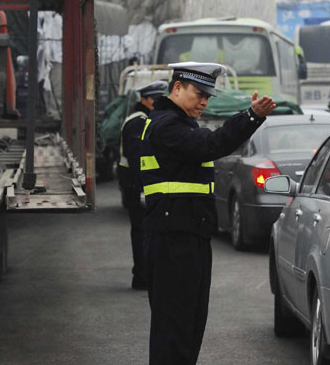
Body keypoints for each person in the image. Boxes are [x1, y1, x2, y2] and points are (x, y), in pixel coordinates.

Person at [140, 62, 275, 364]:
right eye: (198, 94)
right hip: (174, 241)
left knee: (188, 326)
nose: (203, 102)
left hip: (187, 237)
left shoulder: (179, 124)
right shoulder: (166, 126)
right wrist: (251, 116)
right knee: (174, 329)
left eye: (207, 97)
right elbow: (212, 144)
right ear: (177, 88)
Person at [118, 80, 167, 290]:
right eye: (154, 99)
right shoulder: (137, 122)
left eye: (159, 99)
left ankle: (145, 274)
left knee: (145, 232)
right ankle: (141, 277)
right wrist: (145, 188)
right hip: (135, 185)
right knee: (141, 232)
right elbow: (138, 160)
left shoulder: (144, 119)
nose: (157, 103)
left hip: (136, 184)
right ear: (144, 100)